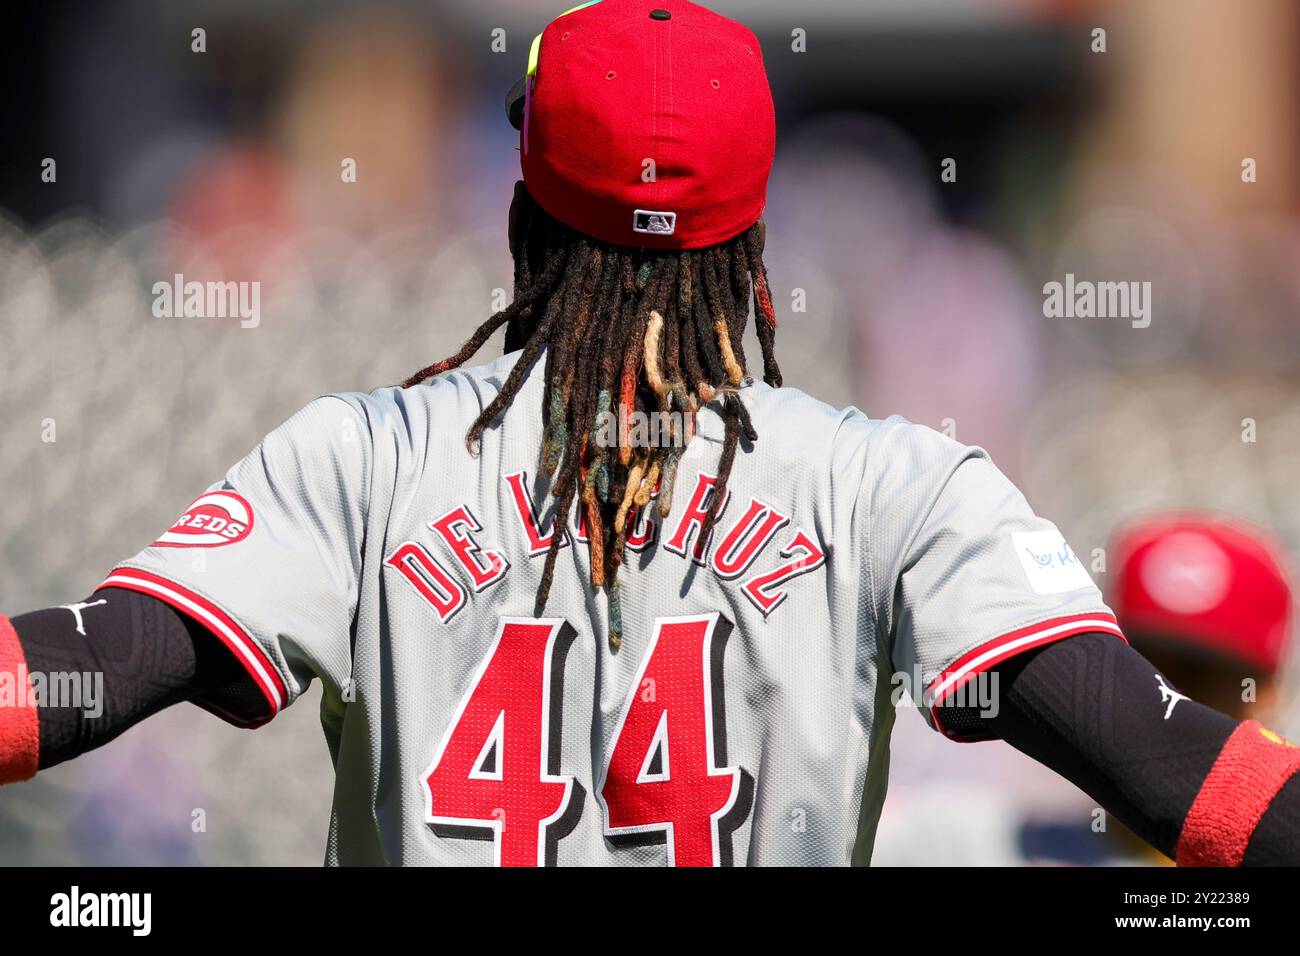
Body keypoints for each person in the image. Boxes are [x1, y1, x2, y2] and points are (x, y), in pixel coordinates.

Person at [1, 0, 1297, 866]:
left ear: (523, 217)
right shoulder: (894, 490)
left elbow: (84, 672)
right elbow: (1165, 763)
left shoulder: (366, 461)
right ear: (754, 239)